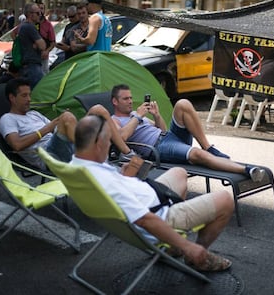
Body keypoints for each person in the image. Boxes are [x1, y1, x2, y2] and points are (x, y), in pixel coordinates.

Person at [72, 114, 234, 271]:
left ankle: (171, 248)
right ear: (99, 143)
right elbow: (145, 220)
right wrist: (188, 246)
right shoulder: (104, 180)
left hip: (150, 198)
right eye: (108, 141)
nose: (109, 146)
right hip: (160, 217)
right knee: (225, 199)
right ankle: (195, 255)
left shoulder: (79, 164)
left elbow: (117, 192)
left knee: (179, 172)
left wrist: (124, 177)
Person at [111, 84, 266, 182]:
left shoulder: (135, 115)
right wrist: (138, 117)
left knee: (182, 104)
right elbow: (121, 138)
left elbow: (162, 130)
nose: (130, 101)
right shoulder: (115, 120)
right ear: (115, 102)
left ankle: (208, 147)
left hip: (168, 138)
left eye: (131, 98)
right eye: (125, 99)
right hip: (158, 148)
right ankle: (246, 170)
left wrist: (156, 116)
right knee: (197, 155)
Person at [0, 78, 133, 170]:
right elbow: (17, 145)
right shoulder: (7, 119)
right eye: (24, 96)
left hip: (63, 145)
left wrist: (62, 122)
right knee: (67, 117)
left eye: (29, 95)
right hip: (49, 155)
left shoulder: (34, 114)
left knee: (98, 110)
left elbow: (56, 130)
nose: (29, 99)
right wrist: (47, 128)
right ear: (12, 98)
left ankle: (127, 153)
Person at [17, 3, 46, 89]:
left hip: (28, 65)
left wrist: (37, 44)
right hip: (32, 66)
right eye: (37, 13)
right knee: (38, 93)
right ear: (30, 14)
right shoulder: (29, 27)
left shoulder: (23, 26)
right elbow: (43, 46)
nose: (40, 15)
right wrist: (38, 44)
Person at [37, 2, 56, 74]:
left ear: (44, 10)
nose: (40, 11)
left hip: (43, 57)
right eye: (38, 8)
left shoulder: (48, 25)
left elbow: (53, 43)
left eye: (41, 8)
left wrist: (46, 51)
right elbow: (14, 34)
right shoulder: (29, 23)